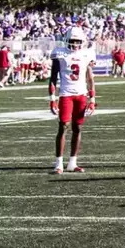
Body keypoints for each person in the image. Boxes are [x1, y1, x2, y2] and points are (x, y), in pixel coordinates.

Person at [48, 27, 96, 174]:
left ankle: (72, 162)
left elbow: (90, 78)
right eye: (72, 41)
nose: (75, 44)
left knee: (78, 128)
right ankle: (58, 163)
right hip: (65, 94)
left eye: (77, 41)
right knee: (63, 126)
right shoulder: (60, 54)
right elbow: (52, 78)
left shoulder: (87, 54)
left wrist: (92, 98)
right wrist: (52, 99)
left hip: (81, 94)